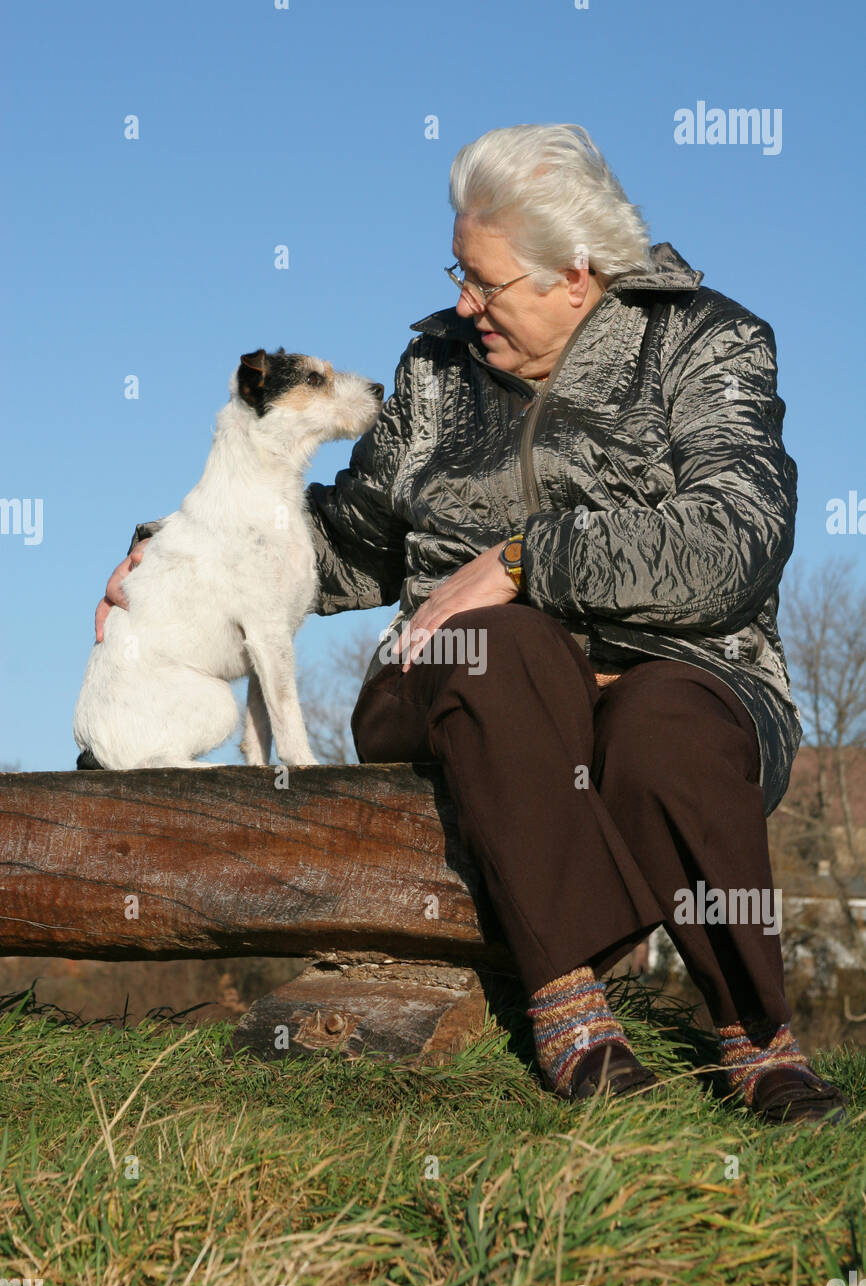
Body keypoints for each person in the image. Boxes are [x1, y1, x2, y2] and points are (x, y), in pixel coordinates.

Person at [100, 123, 847, 1125]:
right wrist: (174, 555)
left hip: (676, 664)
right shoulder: (435, 367)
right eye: (457, 271)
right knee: (496, 646)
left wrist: (523, 560)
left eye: (484, 282)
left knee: (661, 732)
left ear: (573, 275)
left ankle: (757, 1038)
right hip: (458, 680)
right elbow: (352, 539)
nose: (462, 303)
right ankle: (567, 994)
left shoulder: (708, 342)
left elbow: (732, 540)